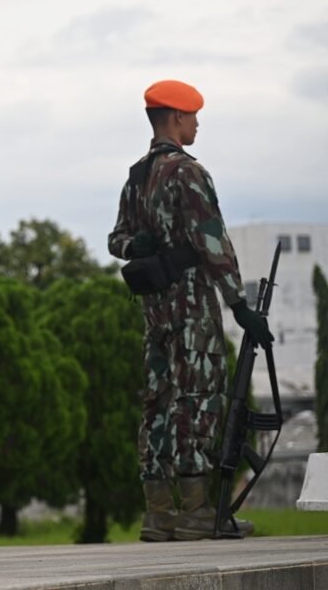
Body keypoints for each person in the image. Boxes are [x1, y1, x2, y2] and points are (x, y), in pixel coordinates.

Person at [107, 80, 271, 541]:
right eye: (193, 116)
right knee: (198, 399)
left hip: (154, 314)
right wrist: (240, 305)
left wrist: (135, 244)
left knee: (158, 403)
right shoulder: (187, 172)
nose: (197, 123)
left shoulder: (137, 176)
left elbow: (115, 240)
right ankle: (197, 511)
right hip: (192, 307)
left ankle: (158, 514)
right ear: (176, 118)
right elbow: (212, 240)